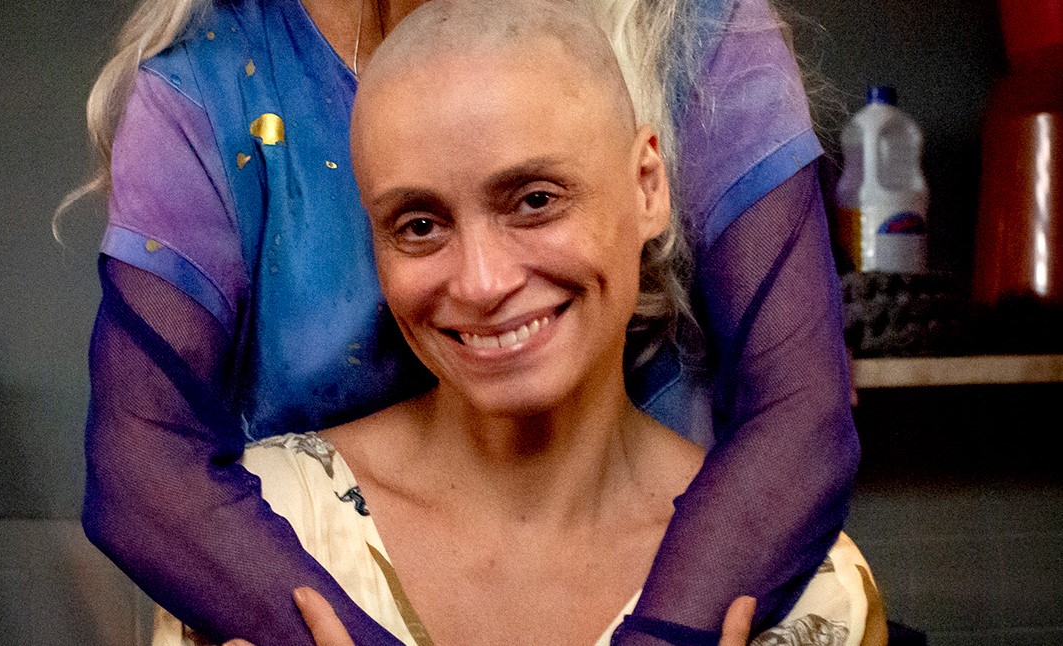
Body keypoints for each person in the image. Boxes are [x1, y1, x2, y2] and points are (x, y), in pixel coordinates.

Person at [77, 0, 859, 642]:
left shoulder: (693, 28)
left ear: (644, 181)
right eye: (418, 225)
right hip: (307, 566)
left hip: (677, 565)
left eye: (536, 201)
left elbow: (801, 408)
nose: (483, 283)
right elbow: (142, 462)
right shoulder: (216, 81)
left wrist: (665, 634)